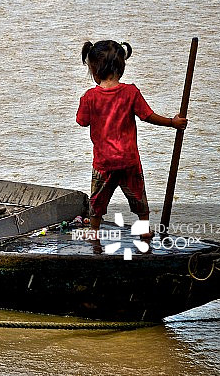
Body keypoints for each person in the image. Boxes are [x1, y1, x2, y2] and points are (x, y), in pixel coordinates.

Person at [76, 40, 187, 240]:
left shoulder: (90, 97)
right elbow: (148, 115)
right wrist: (172, 122)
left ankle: (94, 232)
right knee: (138, 198)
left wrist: (86, 103)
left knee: (97, 200)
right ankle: (144, 229)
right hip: (129, 160)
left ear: (94, 70)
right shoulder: (130, 92)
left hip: (103, 163)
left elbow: (81, 121)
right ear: (121, 68)